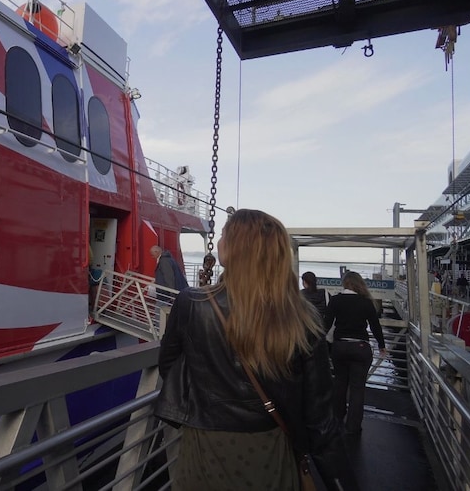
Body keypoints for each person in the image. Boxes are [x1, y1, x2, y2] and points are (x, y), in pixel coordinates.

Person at [155, 209, 357, 491]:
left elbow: (169, 367)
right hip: (269, 451)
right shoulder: (301, 319)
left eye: (225, 234)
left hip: (205, 450)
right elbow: (320, 419)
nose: (219, 240)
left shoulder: (192, 304)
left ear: (237, 247)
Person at [325, 271, 387, 436]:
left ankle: (337, 419)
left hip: (339, 347)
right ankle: (353, 426)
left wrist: (319, 343)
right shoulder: (365, 302)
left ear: (344, 283)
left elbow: (326, 324)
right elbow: (375, 326)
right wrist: (381, 345)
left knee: (339, 384)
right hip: (360, 348)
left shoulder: (335, 300)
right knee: (357, 389)